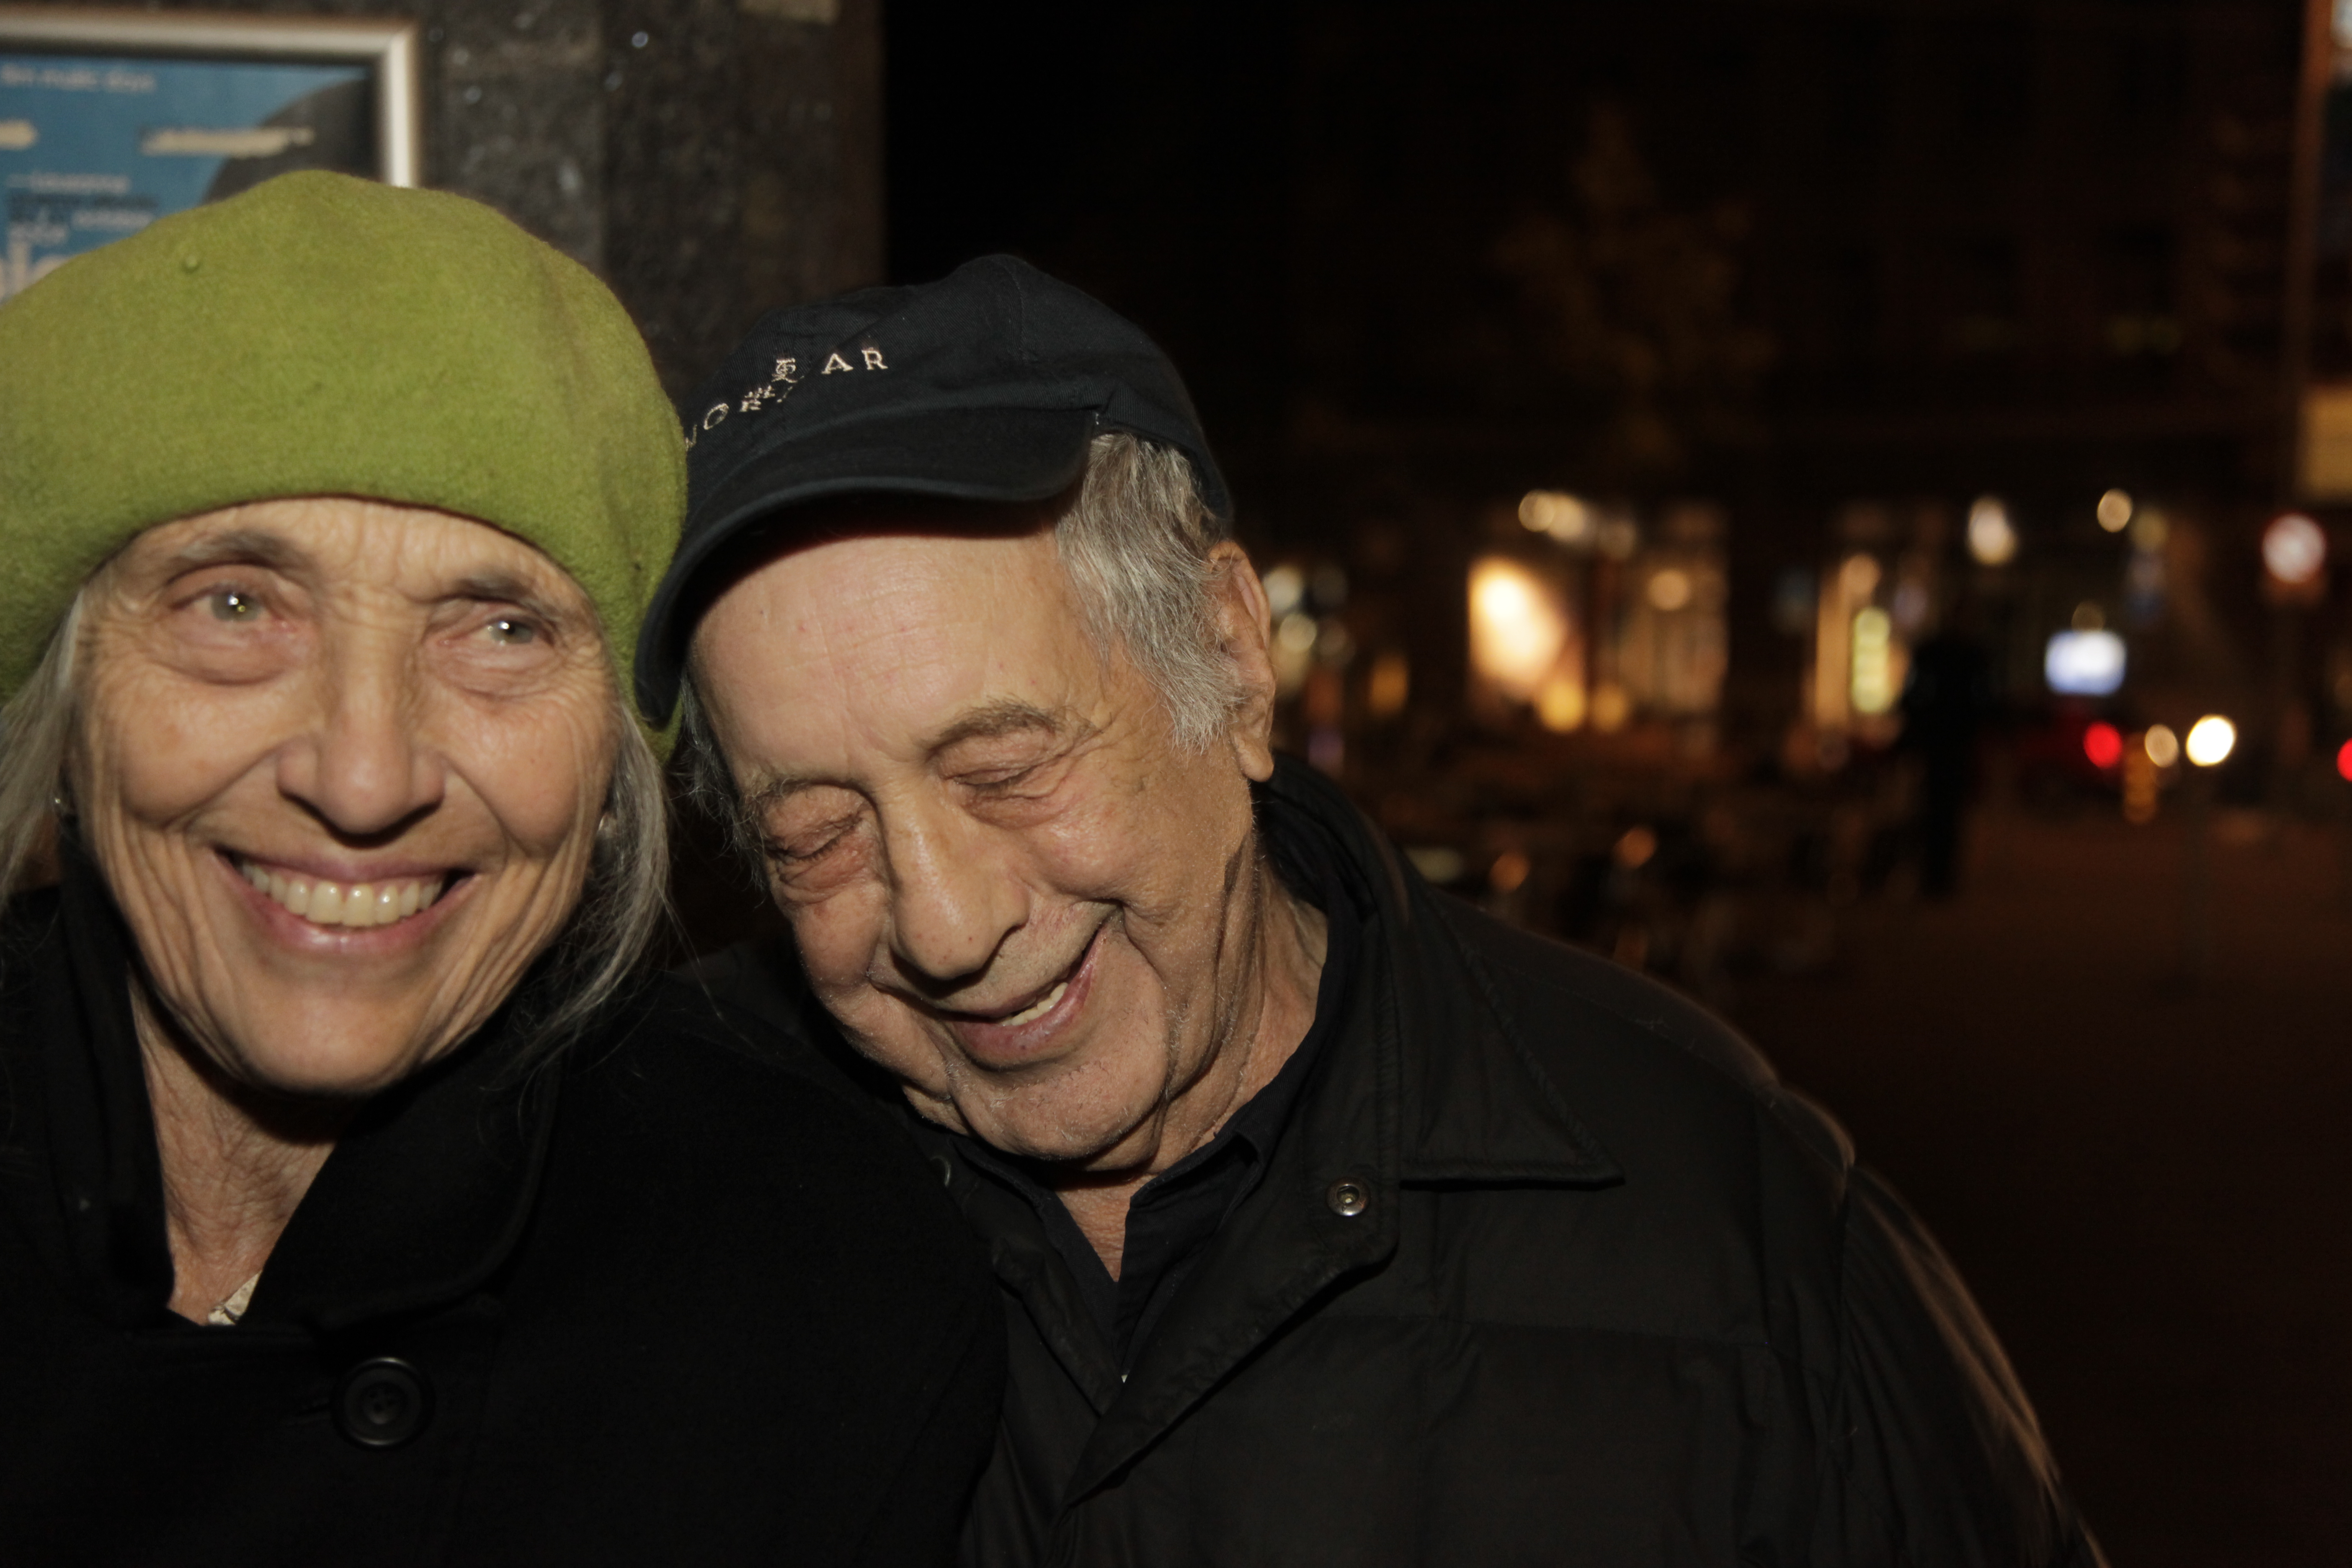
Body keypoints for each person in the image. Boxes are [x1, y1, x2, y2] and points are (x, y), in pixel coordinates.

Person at [639, 255, 2108, 1567]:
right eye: (817, 836)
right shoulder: (662, 1201)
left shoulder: (1740, 1223)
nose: (946, 926)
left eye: (1008, 768)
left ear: (1228, 655)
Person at [0, 173, 1000, 1564]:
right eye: (236, 606)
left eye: (502, 631)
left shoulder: (811, 1283)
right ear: (67, 709)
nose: (364, 776)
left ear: (609, 771)